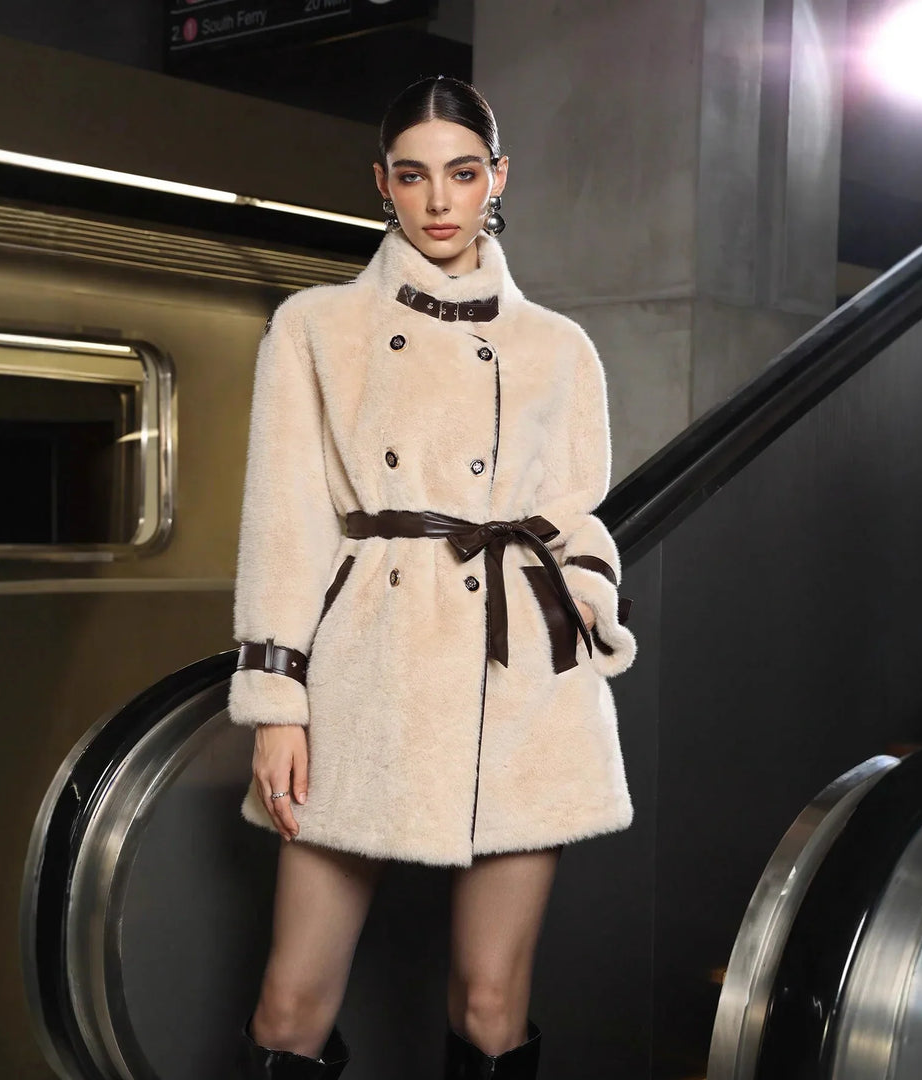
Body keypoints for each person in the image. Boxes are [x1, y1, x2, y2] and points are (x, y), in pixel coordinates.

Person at [228, 74, 639, 1079]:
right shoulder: (317, 328)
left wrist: (585, 595)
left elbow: (579, 510)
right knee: (290, 1006)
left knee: (492, 1001)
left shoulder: (560, 348)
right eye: (414, 178)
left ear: (498, 176)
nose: (441, 201)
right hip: (373, 669)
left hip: (523, 683)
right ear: (383, 185)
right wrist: (278, 700)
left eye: (462, 174)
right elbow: (286, 520)